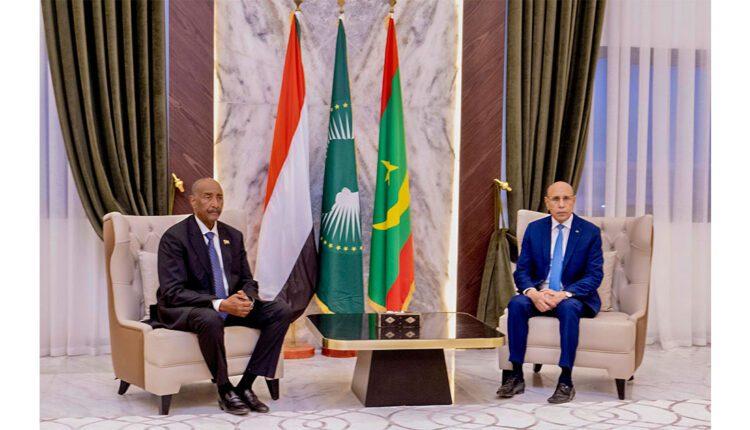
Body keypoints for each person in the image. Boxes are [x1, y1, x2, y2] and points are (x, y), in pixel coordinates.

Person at [156, 178, 294, 415]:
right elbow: (173, 291)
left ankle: (246, 386)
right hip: (189, 308)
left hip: (230, 306)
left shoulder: (233, 236)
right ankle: (224, 389)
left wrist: (246, 298)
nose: (215, 203)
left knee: (281, 310)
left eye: (219, 197)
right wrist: (220, 304)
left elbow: (248, 280)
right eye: (208, 197)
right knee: (209, 318)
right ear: (193, 201)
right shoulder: (175, 237)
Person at [496, 181, 603, 404]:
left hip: (571, 297)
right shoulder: (535, 230)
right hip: (540, 294)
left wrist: (564, 294)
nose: (561, 204)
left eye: (566, 199)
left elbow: (594, 275)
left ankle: (566, 380)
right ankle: (516, 375)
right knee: (516, 303)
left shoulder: (589, 232)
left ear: (573, 201)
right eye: (556, 199)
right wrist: (533, 294)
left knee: (569, 308)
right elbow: (522, 270)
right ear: (547, 202)